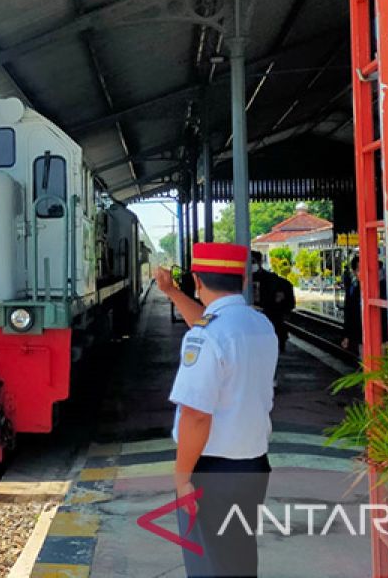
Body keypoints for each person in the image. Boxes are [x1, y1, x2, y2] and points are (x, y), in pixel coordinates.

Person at [154, 243, 279, 578]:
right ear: (241, 278)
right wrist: (171, 293)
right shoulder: (259, 324)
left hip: (211, 472)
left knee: (209, 565)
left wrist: (182, 480)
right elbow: (209, 323)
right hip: (252, 467)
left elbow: (196, 414)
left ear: (198, 280)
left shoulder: (206, 337)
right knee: (237, 559)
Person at [251, 251, 294, 354]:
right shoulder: (239, 281)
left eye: (253, 261)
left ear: (260, 262)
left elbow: (288, 303)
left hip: (273, 325)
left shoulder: (275, 281)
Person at [342, 255, 362, 353]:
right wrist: (347, 336)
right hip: (360, 335)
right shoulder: (352, 289)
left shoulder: (382, 286)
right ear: (354, 272)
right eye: (359, 269)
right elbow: (348, 313)